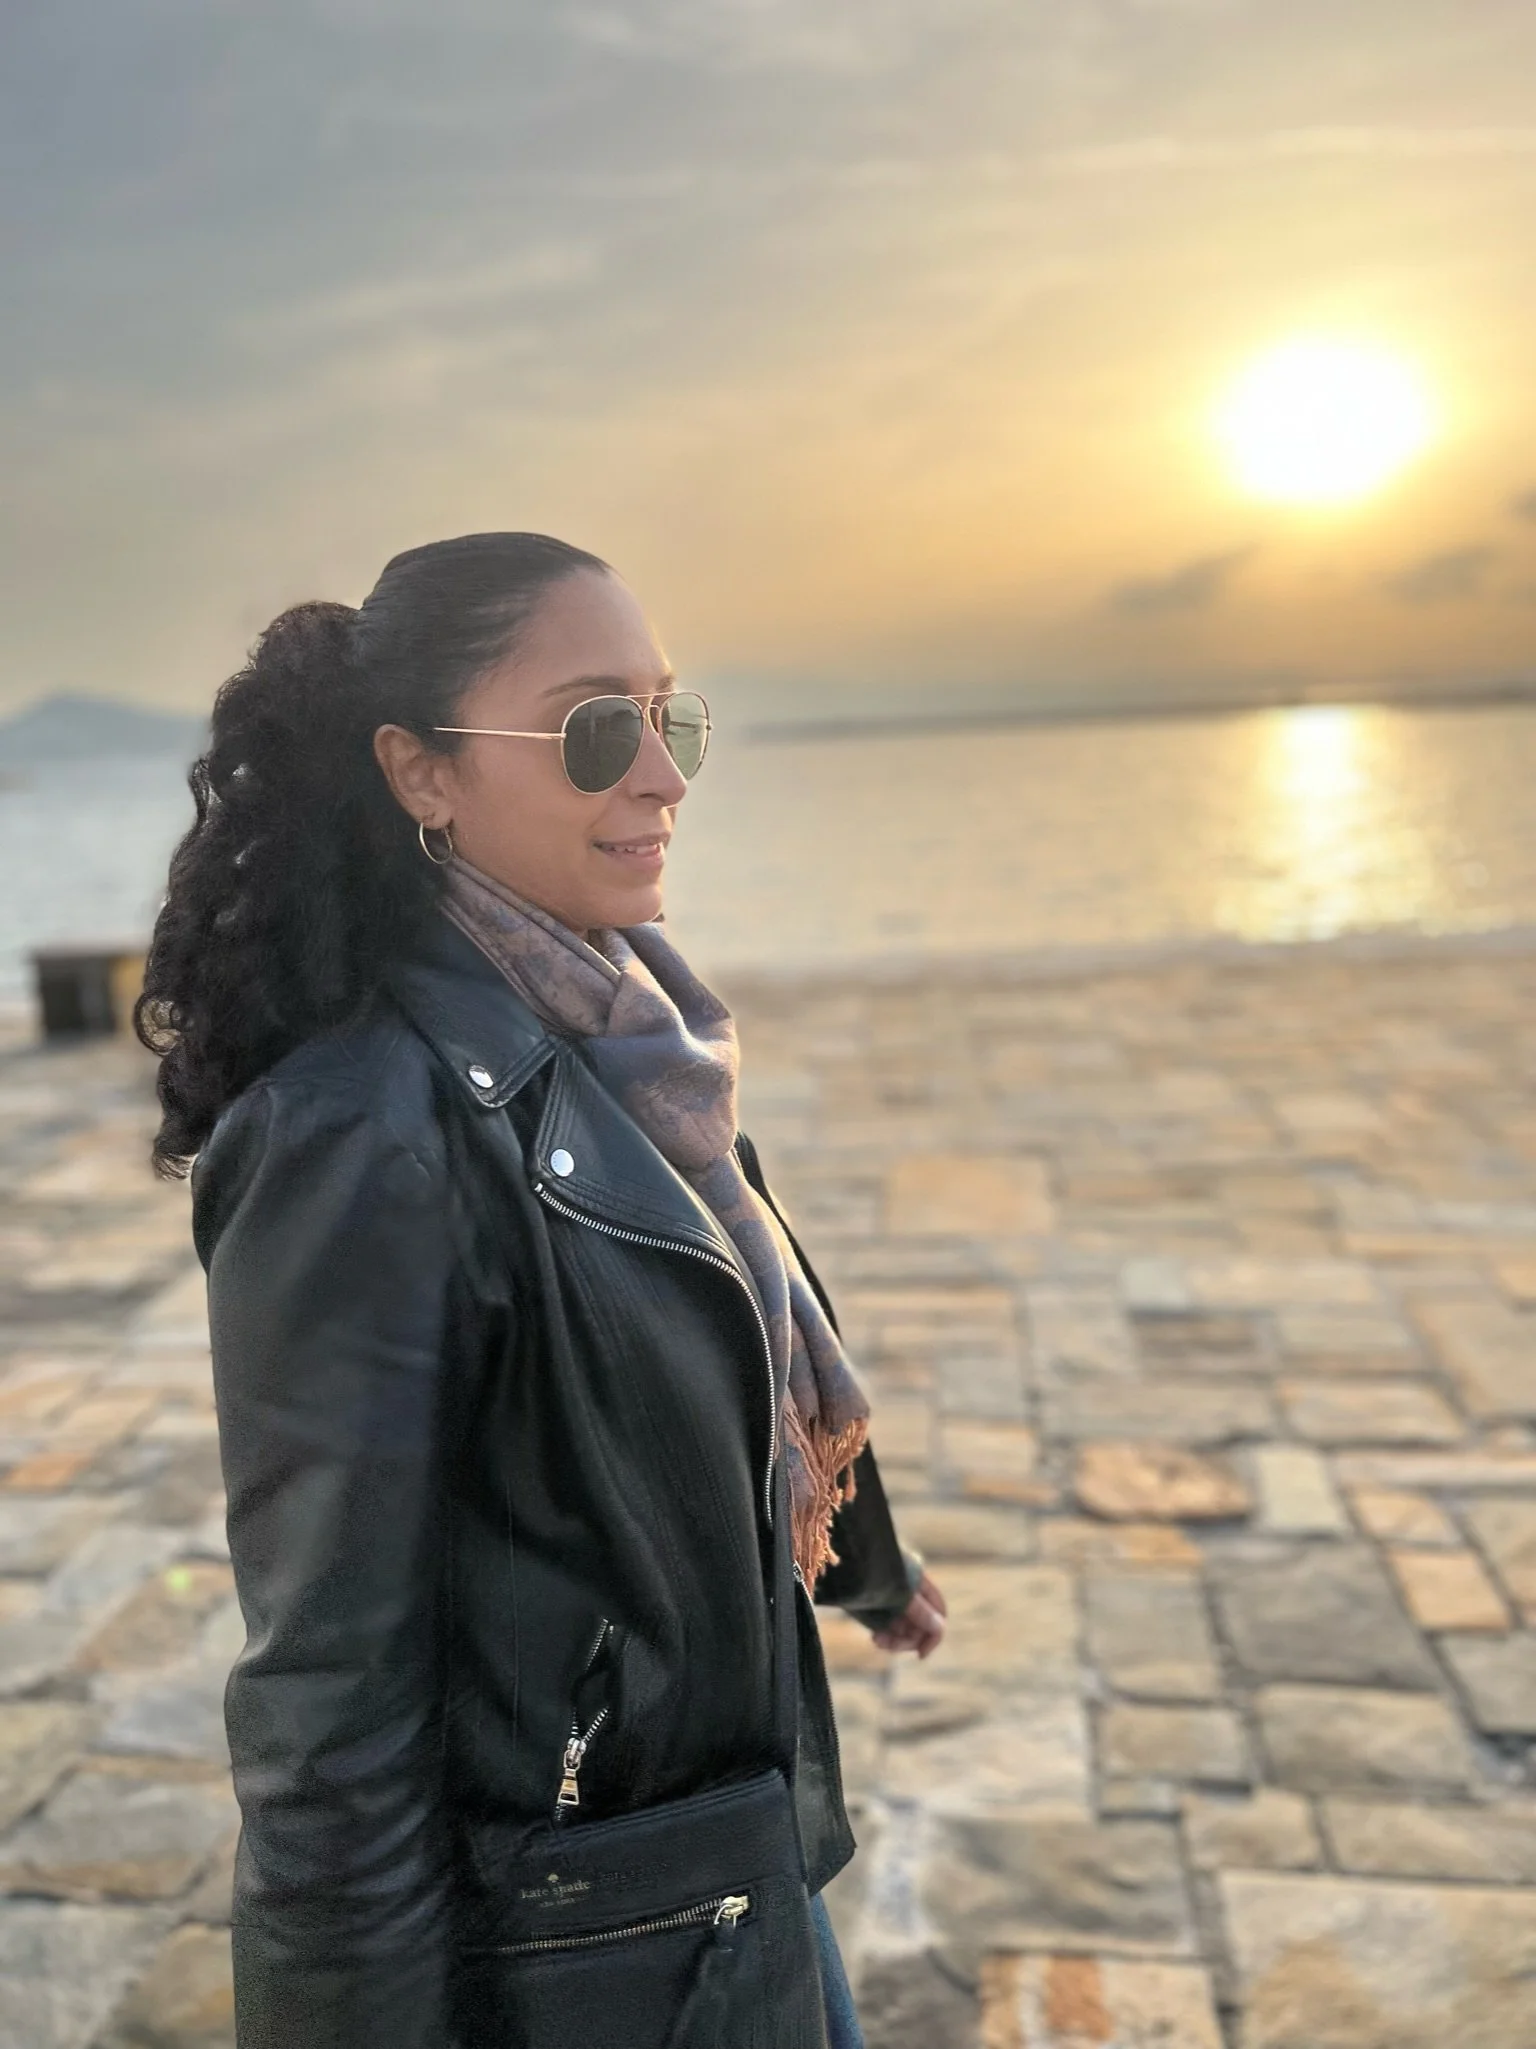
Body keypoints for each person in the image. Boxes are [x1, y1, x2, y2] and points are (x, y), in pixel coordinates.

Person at [137, 532, 947, 2049]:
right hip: (586, 1944)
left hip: (731, 1855)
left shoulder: (632, 1032)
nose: (661, 776)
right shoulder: (356, 1134)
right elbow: (329, 1698)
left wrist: (864, 1560)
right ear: (421, 771)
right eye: (594, 730)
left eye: (670, 717)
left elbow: (731, 1318)